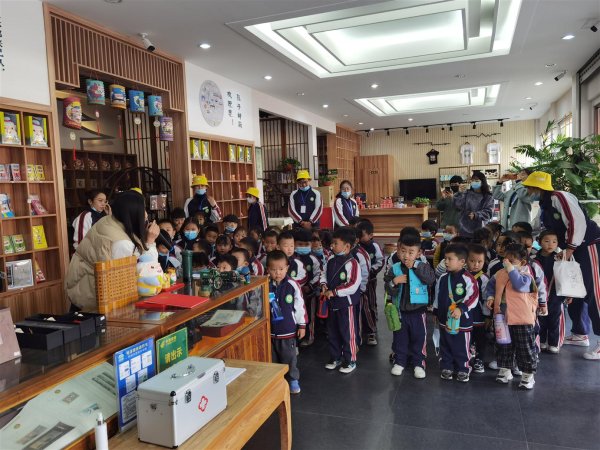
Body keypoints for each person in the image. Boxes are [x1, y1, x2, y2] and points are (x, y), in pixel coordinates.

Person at [523, 171, 600, 359]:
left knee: (594, 292)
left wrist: (570, 248)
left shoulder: (559, 197)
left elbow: (577, 222)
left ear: (538, 187)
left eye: (529, 187)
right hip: (571, 249)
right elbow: (541, 229)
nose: (527, 191)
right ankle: (580, 333)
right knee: (574, 290)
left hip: (587, 246)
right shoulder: (545, 205)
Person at [65, 190, 160, 311]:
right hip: (93, 297)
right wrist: (150, 241)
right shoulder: (122, 242)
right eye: (143, 209)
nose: (145, 214)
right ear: (133, 212)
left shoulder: (109, 220)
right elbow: (145, 273)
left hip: (83, 285)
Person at [487, 243, 545, 389]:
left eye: (511, 261)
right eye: (505, 259)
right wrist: (490, 297)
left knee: (524, 346)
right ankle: (505, 370)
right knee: (503, 345)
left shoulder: (526, 276)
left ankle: (528, 375)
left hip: (522, 318)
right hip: (502, 316)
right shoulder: (499, 273)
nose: (506, 262)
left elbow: (519, 285)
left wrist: (511, 269)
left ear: (523, 262)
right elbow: (491, 285)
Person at [384, 233, 436, 378]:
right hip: (400, 312)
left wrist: (415, 266)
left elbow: (430, 280)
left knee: (419, 338)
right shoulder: (394, 268)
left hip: (418, 312)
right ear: (398, 251)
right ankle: (400, 362)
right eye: (403, 251)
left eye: (411, 252)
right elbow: (388, 288)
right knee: (400, 338)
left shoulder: (423, 266)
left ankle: (419, 363)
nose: (406, 255)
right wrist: (394, 282)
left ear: (418, 253)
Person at [434, 244, 479, 382]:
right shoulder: (443, 278)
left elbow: (473, 296)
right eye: (445, 259)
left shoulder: (468, 278)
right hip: (444, 319)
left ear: (462, 262)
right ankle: (446, 366)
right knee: (445, 344)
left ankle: (463, 368)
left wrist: (461, 309)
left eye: (450, 259)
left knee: (461, 346)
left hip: (462, 321)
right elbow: (438, 295)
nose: (446, 262)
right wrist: (436, 311)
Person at [320, 227, 362, 374]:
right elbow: (323, 274)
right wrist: (323, 284)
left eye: (335, 243)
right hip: (332, 303)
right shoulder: (330, 259)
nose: (332, 246)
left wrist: (334, 292)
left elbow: (353, 284)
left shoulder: (353, 263)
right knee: (333, 332)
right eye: (332, 243)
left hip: (345, 305)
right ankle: (335, 357)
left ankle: (350, 360)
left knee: (347, 333)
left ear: (347, 246)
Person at [267, 250, 307, 394]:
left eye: (281, 269)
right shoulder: (265, 285)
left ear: (287, 268)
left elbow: (300, 307)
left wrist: (302, 325)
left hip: (287, 329)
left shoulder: (292, 285)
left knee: (289, 357)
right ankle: (276, 380)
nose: (277, 273)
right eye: (273, 269)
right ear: (268, 269)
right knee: (272, 358)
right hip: (270, 330)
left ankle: (292, 379)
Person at [535, 230, 566, 353]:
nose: (550, 244)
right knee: (541, 319)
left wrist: (568, 294)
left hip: (555, 294)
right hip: (539, 295)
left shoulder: (559, 258)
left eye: (554, 242)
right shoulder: (534, 259)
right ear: (539, 242)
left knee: (554, 319)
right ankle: (542, 341)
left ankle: (553, 343)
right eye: (547, 241)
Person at [357, 219, 384, 345]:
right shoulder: (357, 247)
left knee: (370, 304)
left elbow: (380, 261)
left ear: (371, 235)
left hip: (370, 280)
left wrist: (371, 271)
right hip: (357, 282)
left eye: (361, 235)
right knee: (360, 305)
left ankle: (371, 332)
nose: (359, 238)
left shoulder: (375, 246)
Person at [294, 228, 321, 346]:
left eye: (306, 245)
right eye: (300, 244)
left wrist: (310, 286)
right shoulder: (292, 259)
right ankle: (296, 337)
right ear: (294, 243)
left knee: (309, 315)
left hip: (309, 294)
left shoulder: (314, 259)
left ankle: (309, 336)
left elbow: (318, 275)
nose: (303, 247)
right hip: (295, 293)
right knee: (296, 314)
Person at [466, 244, 490, 373]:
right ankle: (466, 358)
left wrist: (487, 316)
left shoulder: (484, 278)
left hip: (479, 314)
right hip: (465, 314)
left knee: (480, 338)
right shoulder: (461, 275)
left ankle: (479, 359)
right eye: (472, 261)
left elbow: (486, 298)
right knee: (466, 337)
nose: (476, 264)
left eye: (479, 261)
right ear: (465, 260)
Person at [453, 171, 494, 238]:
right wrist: (460, 193)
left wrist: (476, 215)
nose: (474, 182)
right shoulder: (466, 193)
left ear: (482, 182)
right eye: (472, 180)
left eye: (476, 181)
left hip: (480, 230)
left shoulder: (488, 197)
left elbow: (489, 213)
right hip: (464, 229)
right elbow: (458, 206)